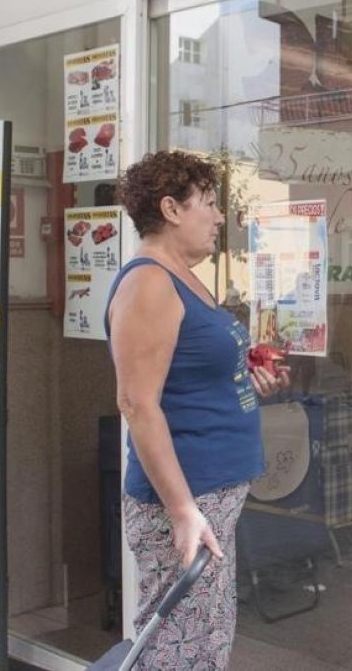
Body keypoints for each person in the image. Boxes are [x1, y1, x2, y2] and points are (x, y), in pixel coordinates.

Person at [106, 151, 288, 668]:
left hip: (210, 493)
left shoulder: (183, 277)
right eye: (208, 203)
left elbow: (194, 376)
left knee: (204, 640)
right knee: (174, 646)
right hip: (184, 500)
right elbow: (137, 404)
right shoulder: (149, 284)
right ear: (171, 209)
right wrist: (184, 511)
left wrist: (250, 384)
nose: (219, 216)